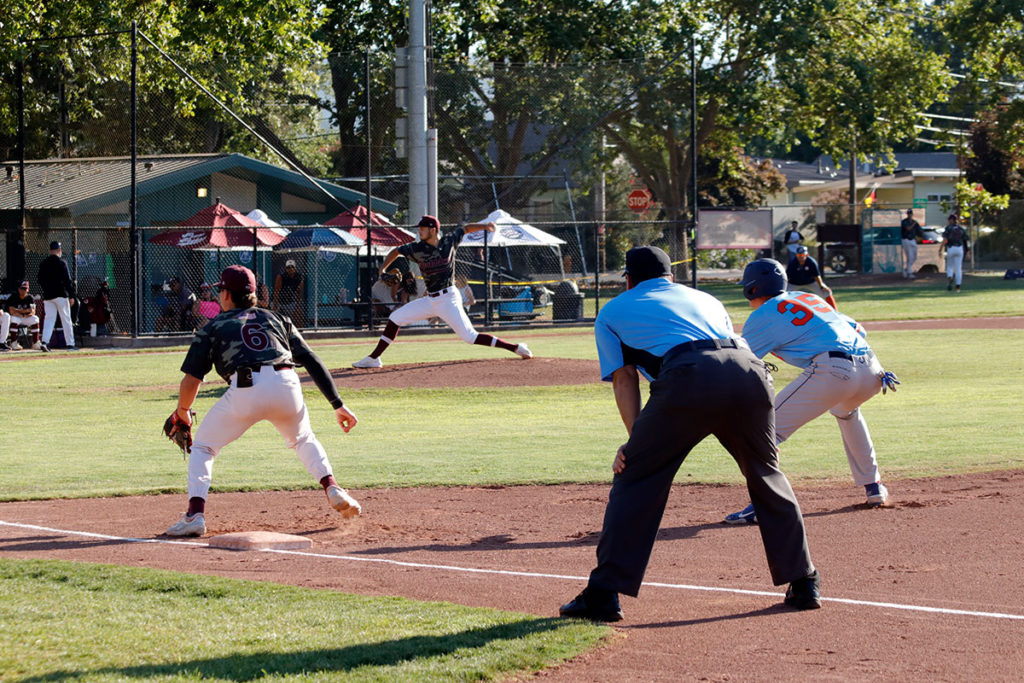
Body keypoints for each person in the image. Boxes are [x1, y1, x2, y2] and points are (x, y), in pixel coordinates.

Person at [557, 246, 820, 622]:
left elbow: (624, 378)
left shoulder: (614, 309)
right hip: (750, 372)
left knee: (636, 478)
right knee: (766, 473)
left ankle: (603, 594)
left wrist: (636, 444)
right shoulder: (705, 298)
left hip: (689, 375)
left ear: (628, 279)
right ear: (671, 278)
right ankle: (804, 581)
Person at [163, 265, 361, 537]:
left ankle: (194, 514)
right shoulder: (277, 319)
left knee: (205, 447)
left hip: (245, 388)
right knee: (303, 439)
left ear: (226, 294)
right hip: (288, 383)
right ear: (254, 293)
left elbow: (192, 380)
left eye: (221, 290)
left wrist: (182, 411)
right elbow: (312, 360)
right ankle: (332, 487)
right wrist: (337, 404)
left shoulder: (214, 326)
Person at [723, 259, 898, 525]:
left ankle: (764, 504)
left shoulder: (762, 315)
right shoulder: (806, 297)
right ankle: (874, 487)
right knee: (846, 412)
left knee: (762, 433)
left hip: (835, 370)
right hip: (873, 371)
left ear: (752, 289)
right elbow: (858, 328)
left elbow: (742, 362)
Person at [352, 215, 533, 368]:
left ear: (433, 229)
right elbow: (396, 251)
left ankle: (516, 347)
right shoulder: (417, 248)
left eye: (422, 228)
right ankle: (374, 358)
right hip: (430, 300)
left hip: (448, 299)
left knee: (470, 337)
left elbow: (465, 228)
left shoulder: (448, 242)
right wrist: (382, 269)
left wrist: (485, 226)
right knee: (394, 319)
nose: (419, 231)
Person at [37, 240, 77, 351]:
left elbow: (39, 279)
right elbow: (67, 281)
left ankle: (45, 342)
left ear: (50, 250)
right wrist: (72, 295)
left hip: (48, 296)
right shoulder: (62, 263)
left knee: (49, 319)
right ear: (59, 250)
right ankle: (70, 344)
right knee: (66, 319)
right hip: (60, 295)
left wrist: (46, 289)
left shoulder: (44, 263)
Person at [5, 280, 43, 350]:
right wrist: (25, 311)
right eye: (21, 288)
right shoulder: (14, 296)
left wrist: (19, 311)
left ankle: (35, 343)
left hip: (25, 317)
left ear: (28, 289)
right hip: (17, 317)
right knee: (13, 319)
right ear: (18, 289)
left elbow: (33, 311)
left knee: (35, 319)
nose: (23, 290)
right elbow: (11, 311)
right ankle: (13, 343)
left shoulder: (30, 298)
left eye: (25, 289)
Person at [940, 214, 970, 292]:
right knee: (958, 268)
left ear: (951, 220)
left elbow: (945, 239)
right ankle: (958, 287)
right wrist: (967, 252)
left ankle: (950, 277)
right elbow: (965, 241)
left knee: (949, 266)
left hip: (951, 248)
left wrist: (940, 249)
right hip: (960, 249)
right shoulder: (961, 229)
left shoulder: (948, 228)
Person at [273, 259, 304, 325]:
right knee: (274, 316)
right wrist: (275, 305)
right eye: (288, 267)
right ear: (286, 268)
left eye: (292, 267)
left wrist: (297, 306)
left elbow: (300, 292)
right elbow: (276, 291)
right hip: (279, 301)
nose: (290, 269)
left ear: (295, 268)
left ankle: (300, 331)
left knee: (299, 315)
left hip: (291, 302)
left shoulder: (299, 277)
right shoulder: (281, 277)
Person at [900, 209, 925, 279]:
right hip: (906, 240)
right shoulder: (904, 221)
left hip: (913, 240)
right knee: (910, 256)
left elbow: (920, 231)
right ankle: (909, 273)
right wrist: (914, 224)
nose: (910, 215)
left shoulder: (914, 222)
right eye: (908, 213)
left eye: (910, 213)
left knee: (914, 257)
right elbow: (908, 228)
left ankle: (906, 270)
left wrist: (922, 235)